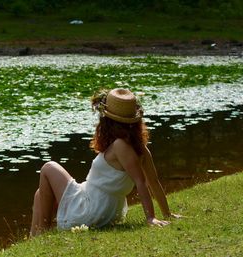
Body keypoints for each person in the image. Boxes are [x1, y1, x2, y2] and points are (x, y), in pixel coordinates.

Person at [30, 88, 181, 236]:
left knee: (48, 167)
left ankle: (43, 232)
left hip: (90, 207)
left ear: (108, 121)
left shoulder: (120, 146)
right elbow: (153, 182)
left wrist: (150, 217)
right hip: (106, 209)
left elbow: (141, 182)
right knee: (40, 193)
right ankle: (35, 237)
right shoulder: (140, 148)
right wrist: (167, 213)